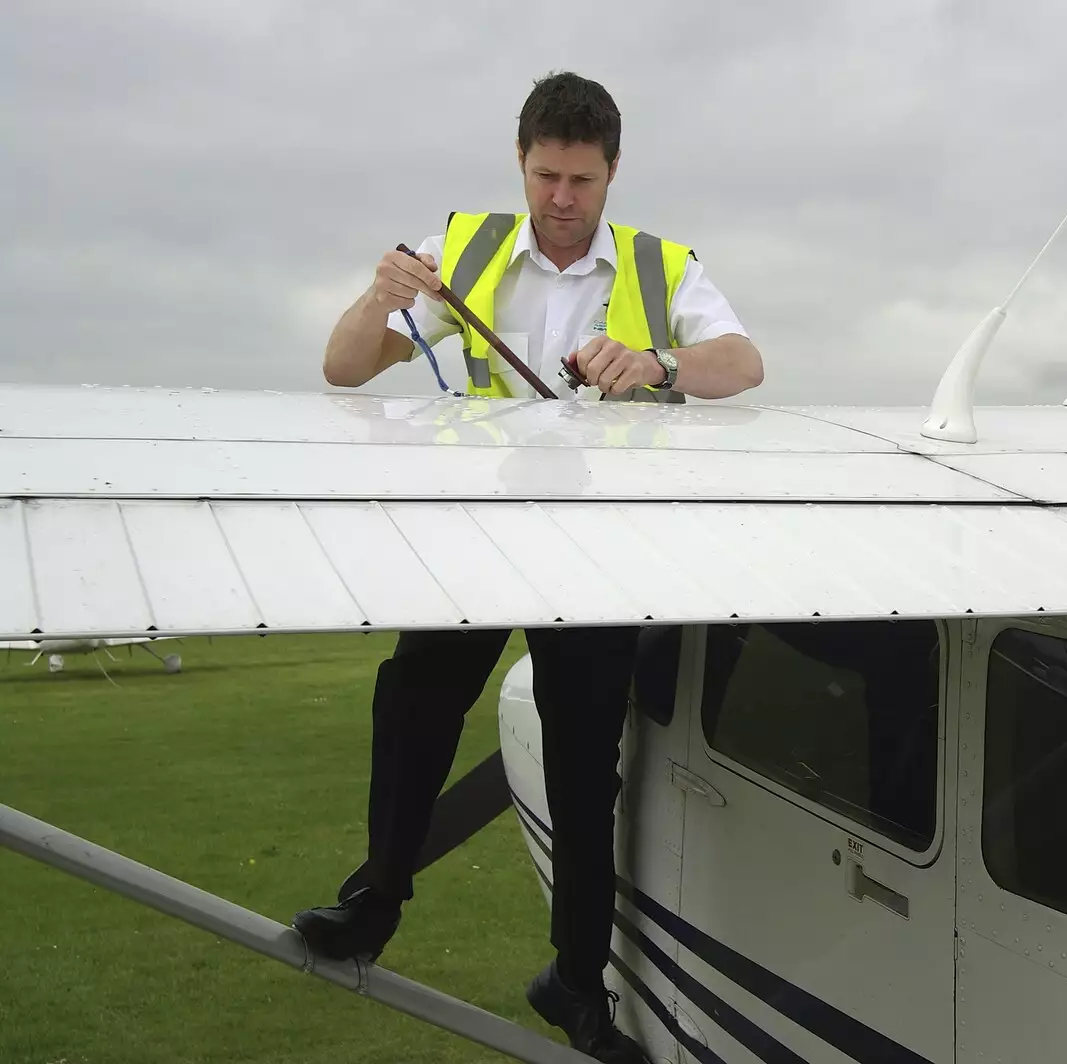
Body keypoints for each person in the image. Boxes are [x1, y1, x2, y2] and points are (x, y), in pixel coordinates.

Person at [295, 70, 763, 1063]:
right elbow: (344, 366)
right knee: (411, 707)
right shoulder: (455, 252)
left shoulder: (659, 265)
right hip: (475, 538)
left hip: (597, 553)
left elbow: (743, 362)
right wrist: (375, 295)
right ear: (522, 162)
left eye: (580, 180)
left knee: (586, 767)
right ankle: (376, 900)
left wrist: (659, 364)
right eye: (546, 174)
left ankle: (575, 979)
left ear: (611, 174)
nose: (560, 198)